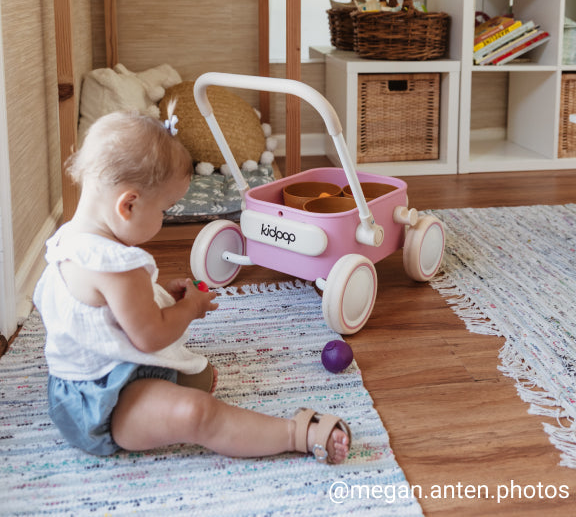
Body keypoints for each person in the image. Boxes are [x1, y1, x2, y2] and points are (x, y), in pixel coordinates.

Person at [33, 109, 350, 463]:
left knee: (192, 379)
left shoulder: (65, 241)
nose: (163, 219)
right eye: (164, 210)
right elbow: (151, 336)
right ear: (129, 205)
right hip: (106, 405)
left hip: (69, 392)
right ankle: (295, 433)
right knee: (198, 413)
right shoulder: (118, 265)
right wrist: (190, 308)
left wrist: (158, 297)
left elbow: (98, 318)